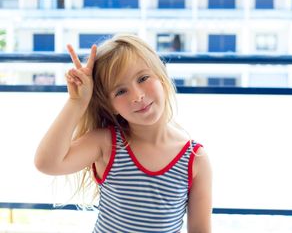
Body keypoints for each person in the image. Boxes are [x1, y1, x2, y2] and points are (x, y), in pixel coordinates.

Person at [34, 34, 212, 233]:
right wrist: (77, 102)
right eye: (120, 91)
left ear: (162, 77)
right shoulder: (106, 143)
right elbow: (47, 163)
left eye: (143, 78)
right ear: (111, 106)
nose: (138, 96)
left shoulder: (195, 158)